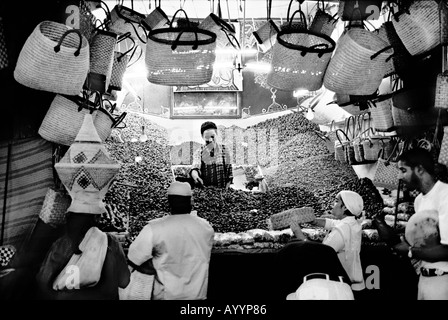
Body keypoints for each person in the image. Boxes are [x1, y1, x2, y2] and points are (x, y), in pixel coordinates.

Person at [127, 181, 215, 300]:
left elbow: (133, 259)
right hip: (197, 296)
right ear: (191, 202)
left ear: (169, 202)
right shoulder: (206, 228)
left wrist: (156, 263)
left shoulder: (154, 228)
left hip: (166, 295)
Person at [392, 147, 448, 300]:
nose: (399, 176)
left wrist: (410, 250)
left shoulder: (445, 196)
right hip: (425, 278)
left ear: (420, 170)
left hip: (443, 281)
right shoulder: (419, 201)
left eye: (403, 170)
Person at [35, 212, 131, 300]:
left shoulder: (61, 244)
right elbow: (124, 281)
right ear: (97, 217)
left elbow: (43, 281)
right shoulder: (111, 243)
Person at [290, 190, 366, 296]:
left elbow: (321, 255)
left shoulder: (342, 231)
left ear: (345, 207)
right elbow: (331, 223)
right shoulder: (351, 222)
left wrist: (298, 232)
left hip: (347, 286)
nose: (332, 204)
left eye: (336, 201)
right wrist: (312, 220)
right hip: (355, 282)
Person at [189, 121, 233, 189]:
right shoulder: (199, 152)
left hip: (222, 191)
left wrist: (225, 192)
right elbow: (195, 168)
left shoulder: (225, 150)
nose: (210, 140)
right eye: (207, 137)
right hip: (206, 192)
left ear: (217, 134)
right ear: (202, 137)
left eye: (212, 136)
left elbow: (229, 175)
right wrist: (196, 177)